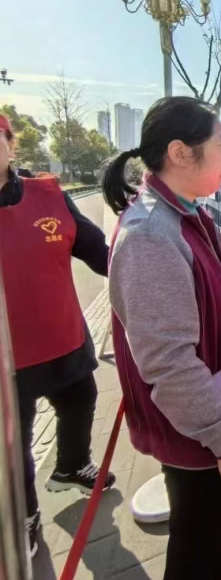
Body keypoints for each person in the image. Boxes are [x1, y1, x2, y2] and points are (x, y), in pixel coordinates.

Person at [104, 98, 221, 580]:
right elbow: (169, 364)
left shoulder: (184, 213)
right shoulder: (152, 233)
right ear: (179, 152)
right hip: (197, 427)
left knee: (205, 532)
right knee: (197, 539)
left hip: (208, 412)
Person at [0, 114, 116, 559]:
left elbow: (96, 250)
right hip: (8, 356)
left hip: (63, 335)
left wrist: (139, 272)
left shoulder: (48, 195)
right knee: (15, 444)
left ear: (11, 144)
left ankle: (72, 466)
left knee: (81, 401)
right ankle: (24, 515)